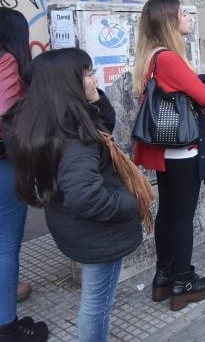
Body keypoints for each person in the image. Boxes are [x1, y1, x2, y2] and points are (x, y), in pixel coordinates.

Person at [9, 48, 144, 342]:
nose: (95, 77)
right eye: (88, 73)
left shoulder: (50, 123)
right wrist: (130, 202)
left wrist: (96, 99)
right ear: (66, 82)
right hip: (100, 235)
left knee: (95, 301)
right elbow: (85, 195)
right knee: (97, 306)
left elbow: (101, 130)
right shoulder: (74, 136)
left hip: (77, 230)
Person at [132, 0, 205, 311]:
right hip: (181, 151)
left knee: (168, 213)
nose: (188, 18)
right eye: (183, 13)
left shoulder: (150, 56)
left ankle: (162, 277)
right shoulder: (169, 59)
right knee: (182, 216)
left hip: (161, 152)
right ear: (169, 22)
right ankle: (184, 281)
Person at [0, 8, 48, 342]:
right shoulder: (7, 62)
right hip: (4, 164)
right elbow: (6, 112)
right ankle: (8, 325)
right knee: (6, 244)